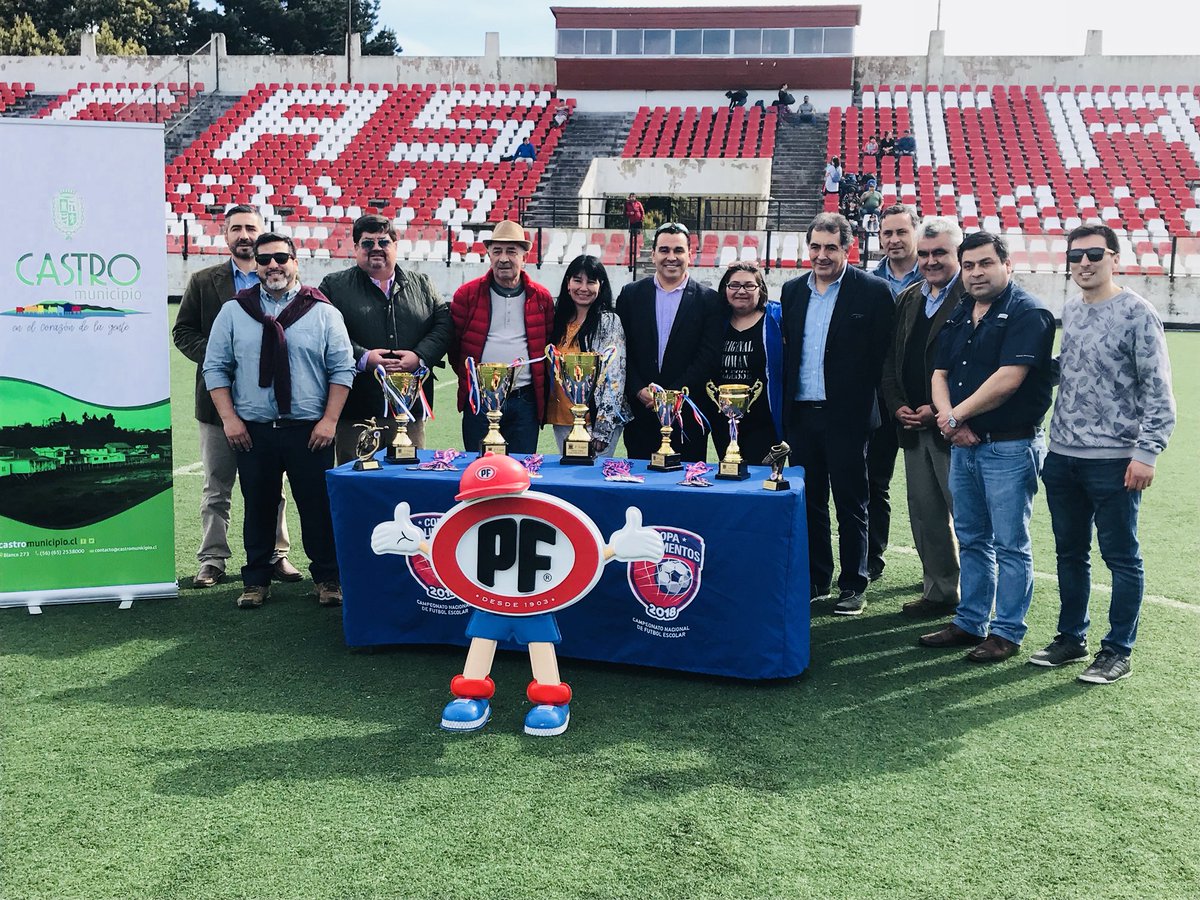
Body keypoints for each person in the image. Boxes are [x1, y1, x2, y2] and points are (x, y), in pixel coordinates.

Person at [1030, 224, 1176, 684]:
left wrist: (1147, 452)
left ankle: (1117, 651)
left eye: (1094, 254)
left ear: (1115, 258)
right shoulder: (1072, 310)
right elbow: (1071, 370)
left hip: (1115, 460)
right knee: (1070, 553)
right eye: (1075, 256)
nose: (1084, 263)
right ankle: (1071, 638)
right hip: (1063, 455)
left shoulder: (1138, 313)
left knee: (1121, 557)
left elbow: (1158, 389)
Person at [201, 233, 356, 610]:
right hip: (253, 431)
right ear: (255, 265)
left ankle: (327, 577)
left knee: (317, 509)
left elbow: (342, 369)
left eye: (281, 258)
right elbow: (215, 368)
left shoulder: (322, 311)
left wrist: (329, 421)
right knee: (258, 508)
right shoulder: (234, 312)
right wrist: (229, 420)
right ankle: (255, 580)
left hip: (310, 431)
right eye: (264, 259)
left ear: (295, 262)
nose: (273, 265)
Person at [919, 231, 1055, 662]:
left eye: (986, 263)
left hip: (1009, 447)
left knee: (1010, 543)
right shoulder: (962, 311)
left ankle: (1007, 631)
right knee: (972, 537)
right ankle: (971, 621)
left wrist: (953, 417)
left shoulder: (1028, 312)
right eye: (970, 265)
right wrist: (950, 421)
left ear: (1007, 265)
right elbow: (939, 373)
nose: (976, 272)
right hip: (963, 446)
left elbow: (1008, 380)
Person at [172, 204, 298, 589]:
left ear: (262, 234)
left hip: (269, 403)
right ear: (225, 235)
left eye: (250, 228)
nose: (244, 235)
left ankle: (276, 554)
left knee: (272, 484)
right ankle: (212, 558)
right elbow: (183, 331)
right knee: (216, 485)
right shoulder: (203, 281)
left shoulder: (278, 278)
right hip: (217, 403)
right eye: (236, 228)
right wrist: (219, 355)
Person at [780, 213, 894, 616]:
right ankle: (817, 578)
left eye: (831, 247)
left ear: (848, 248)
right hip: (802, 415)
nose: (822, 255)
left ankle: (854, 584)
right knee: (810, 501)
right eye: (815, 246)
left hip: (849, 417)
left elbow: (884, 356)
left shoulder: (874, 291)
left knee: (852, 502)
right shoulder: (792, 291)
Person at [880, 217, 966, 617]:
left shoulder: (972, 295)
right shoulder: (909, 297)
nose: (931, 261)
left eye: (941, 253)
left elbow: (978, 367)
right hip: (913, 426)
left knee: (968, 518)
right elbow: (891, 359)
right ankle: (940, 591)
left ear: (958, 254)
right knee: (926, 514)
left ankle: (978, 601)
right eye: (926, 253)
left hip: (957, 427)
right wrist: (896, 403)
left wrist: (940, 409)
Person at [318, 214, 452, 465]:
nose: (376, 248)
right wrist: (363, 357)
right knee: (357, 476)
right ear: (356, 248)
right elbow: (324, 332)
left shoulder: (423, 284)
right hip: (356, 408)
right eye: (367, 243)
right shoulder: (333, 286)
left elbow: (443, 325)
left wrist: (420, 356)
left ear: (396, 246)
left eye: (383, 242)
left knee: (407, 476)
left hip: (409, 410)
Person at [616, 222, 724, 461]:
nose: (671, 257)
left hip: (687, 418)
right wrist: (638, 389)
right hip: (641, 415)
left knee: (686, 482)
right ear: (653, 254)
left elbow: (708, 357)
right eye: (664, 250)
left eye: (678, 250)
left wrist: (672, 396)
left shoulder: (709, 301)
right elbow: (622, 351)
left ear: (690, 255)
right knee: (639, 479)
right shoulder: (630, 295)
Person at [449, 220, 554, 454]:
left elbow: (546, 343)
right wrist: (475, 382)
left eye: (511, 251)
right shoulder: (467, 295)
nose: (503, 258)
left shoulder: (541, 298)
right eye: (497, 251)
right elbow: (455, 347)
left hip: (524, 400)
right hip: (480, 400)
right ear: (489, 255)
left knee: (520, 466)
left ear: (525, 257)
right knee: (480, 465)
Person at [862, 204, 921, 580]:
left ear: (916, 232)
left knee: (933, 490)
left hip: (929, 399)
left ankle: (942, 571)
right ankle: (873, 557)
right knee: (875, 481)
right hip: (882, 399)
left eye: (901, 232)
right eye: (887, 233)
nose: (894, 239)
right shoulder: (868, 282)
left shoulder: (936, 275)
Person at [546, 255, 632, 457]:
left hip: (594, 423)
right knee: (567, 472)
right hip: (562, 418)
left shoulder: (609, 322)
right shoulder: (557, 320)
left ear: (600, 286)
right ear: (568, 283)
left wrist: (603, 429)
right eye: (577, 280)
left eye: (591, 282)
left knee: (591, 473)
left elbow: (615, 376)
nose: (583, 288)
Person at [705, 262, 783, 467]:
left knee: (761, 478)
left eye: (749, 285)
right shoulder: (715, 322)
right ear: (725, 289)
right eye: (734, 285)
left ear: (760, 289)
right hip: (722, 421)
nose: (741, 291)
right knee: (728, 474)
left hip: (763, 422)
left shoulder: (775, 321)